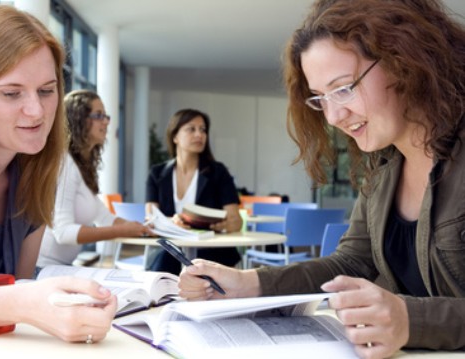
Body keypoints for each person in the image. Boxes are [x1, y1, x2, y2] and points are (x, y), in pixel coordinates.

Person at [178, 0, 465, 357]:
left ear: (405, 62)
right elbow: (350, 262)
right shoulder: (384, 167)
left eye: (344, 88)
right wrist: (246, 283)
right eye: (320, 99)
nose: (333, 117)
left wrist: (411, 320)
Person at [0, 5, 117, 343]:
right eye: (11, 93)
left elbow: (19, 294)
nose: (37, 111)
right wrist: (17, 302)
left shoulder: (37, 166)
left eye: (46, 90)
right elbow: (15, 299)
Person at [37, 89, 153, 268]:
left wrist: (141, 228)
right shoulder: (64, 163)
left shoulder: (80, 166)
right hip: (44, 269)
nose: (106, 122)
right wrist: (120, 231)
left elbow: (104, 217)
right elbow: (63, 232)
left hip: (62, 267)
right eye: (99, 115)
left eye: (106, 116)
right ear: (77, 120)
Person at [146, 108, 242, 274]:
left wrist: (223, 225)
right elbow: (151, 219)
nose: (199, 135)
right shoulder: (157, 174)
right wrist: (171, 223)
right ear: (175, 136)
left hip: (212, 253)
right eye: (191, 129)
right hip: (170, 252)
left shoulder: (218, 172)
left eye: (203, 130)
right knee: (159, 284)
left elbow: (236, 221)